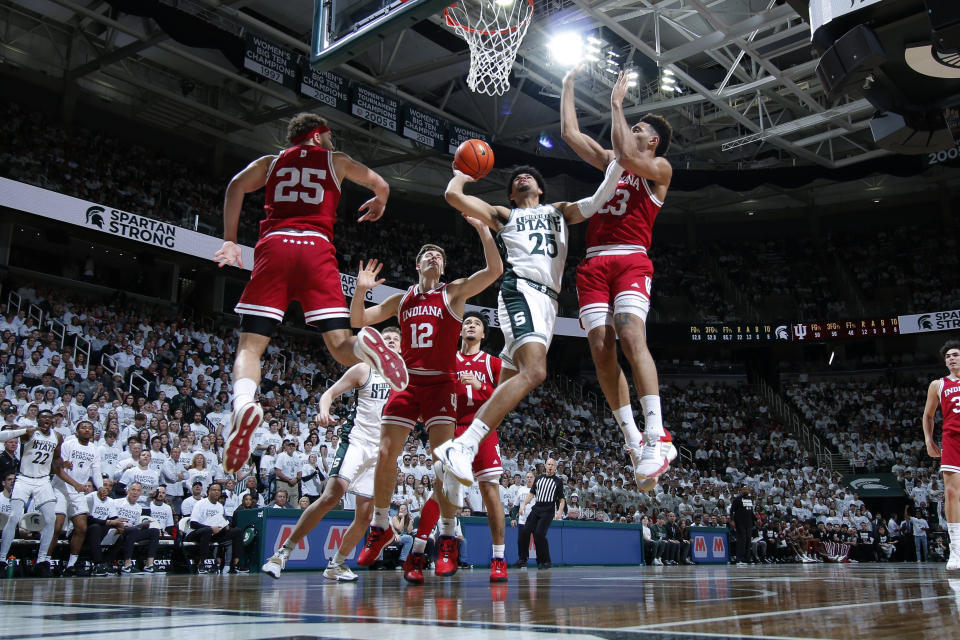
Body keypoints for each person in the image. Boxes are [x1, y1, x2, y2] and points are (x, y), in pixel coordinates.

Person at [213, 112, 408, 474]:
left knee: (251, 346)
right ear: (319, 136)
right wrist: (380, 200)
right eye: (330, 137)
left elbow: (235, 187)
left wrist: (229, 240)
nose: (334, 142)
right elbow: (381, 184)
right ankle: (367, 343)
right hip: (317, 248)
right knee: (340, 347)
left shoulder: (270, 163)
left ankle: (243, 405)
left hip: (275, 246)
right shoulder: (336, 161)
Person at [433, 151, 626, 489]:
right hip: (520, 289)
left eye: (528, 176)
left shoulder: (558, 211)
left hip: (547, 304)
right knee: (535, 372)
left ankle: (456, 457)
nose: (522, 178)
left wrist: (618, 166)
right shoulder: (504, 214)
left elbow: (596, 201)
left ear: (540, 188)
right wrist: (462, 173)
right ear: (511, 194)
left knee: (502, 389)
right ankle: (462, 446)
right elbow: (452, 196)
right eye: (515, 180)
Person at [351, 215, 503, 585]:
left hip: (440, 386)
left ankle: (447, 534)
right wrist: (361, 289)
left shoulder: (453, 292)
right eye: (427, 255)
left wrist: (483, 232)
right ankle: (381, 525)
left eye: (439, 255)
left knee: (443, 468)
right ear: (417, 265)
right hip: (406, 382)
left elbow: (494, 270)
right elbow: (358, 319)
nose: (434, 257)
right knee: (387, 453)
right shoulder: (400, 299)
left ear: (443, 267)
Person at [560, 66, 677, 489]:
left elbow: (627, 154)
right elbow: (572, 136)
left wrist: (616, 105)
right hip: (594, 261)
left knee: (631, 336)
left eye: (640, 127)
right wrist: (567, 84)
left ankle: (655, 434)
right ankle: (630, 435)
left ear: (652, 141)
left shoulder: (658, 167)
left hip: (630, 259)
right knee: (600, 348)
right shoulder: (613, 161)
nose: (633, 129)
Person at [262, 327, 400, 582]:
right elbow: (329, 393)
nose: (390, 342)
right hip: (357, 440)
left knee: (366, 514)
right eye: (386, 339)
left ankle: (336, 564)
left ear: (401, 349)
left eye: (395, 340)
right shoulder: (363, 369)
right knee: (332, 493)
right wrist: (323, 411)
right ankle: (282, 553)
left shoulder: (403, 380)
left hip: (382, 452)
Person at [453, 311, 508, 581]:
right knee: (447, 493)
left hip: (484, 429)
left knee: (490, 492)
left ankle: (498, 557)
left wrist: (481, 385)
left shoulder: (492, 363)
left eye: (476, 324)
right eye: (466, 323)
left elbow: (506, 399)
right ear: (460, 332)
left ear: (484, 334)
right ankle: (446, 547)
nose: (471, 326)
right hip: (454, 429)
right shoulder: (448, 361)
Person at [0, 410, 62, 576]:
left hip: (43, 480)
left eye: (49, 417)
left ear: (53, 421)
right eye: (43, 417)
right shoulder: (29, 433)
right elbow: (2, 437)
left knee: (51, 519)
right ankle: (1, 559)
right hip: (24, 478)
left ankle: (42, 561)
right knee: (14, 516)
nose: (46, 419)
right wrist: (23, 430)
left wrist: (63, 463)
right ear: (38, 420)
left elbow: (56, 459)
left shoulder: (57, 437)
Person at [923, 339, 960, 570]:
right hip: (952, 439)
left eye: (955, 354)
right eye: (948, 356)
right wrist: (929, 439)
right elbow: (928, 415)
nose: (951, 358)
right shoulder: (938, 385)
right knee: (950, 492)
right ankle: (956, 550)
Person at [51, 420, 103, 576]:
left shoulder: (94, 449)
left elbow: (96, 472)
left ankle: (71, 564)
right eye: (83, 427)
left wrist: (100, 487)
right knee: (57, 526)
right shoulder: (68, 444)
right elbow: (59, 468)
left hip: (78, 490)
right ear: (77, 431)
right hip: (61, 488)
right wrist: (74, 483)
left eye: (90, 428)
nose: (87, 430)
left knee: (82, 528)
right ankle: (45, 560)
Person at [185, 482, 247, 573]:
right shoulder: (201, 503)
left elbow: (220, 521)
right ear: (209, 491)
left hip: (214, 534)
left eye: (218, 490)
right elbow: (193, 524)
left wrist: (225, 527)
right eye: (214, 490)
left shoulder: (220, 506)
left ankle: (235, 564)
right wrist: (211, 528)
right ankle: (201, 564)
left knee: (237, 531)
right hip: (196, 533)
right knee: (207, 530)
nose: (216, 492)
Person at [518, 458, 565, 569]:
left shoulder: (558, 481)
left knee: (539, 534)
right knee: (525, 531)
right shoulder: (538, 478)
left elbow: (562, 499)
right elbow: (531, 494)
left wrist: (560, 511)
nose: (550, 466)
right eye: (548, 464)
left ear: (555, 467)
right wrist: (523, 504)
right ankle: (523, 559)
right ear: (545, 465)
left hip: (548, 510)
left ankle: (545, 561)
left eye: (552, 465)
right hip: (537, 507)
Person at [109, 482, 160, 574]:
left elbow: (136, 524)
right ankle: (127, 565)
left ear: (140, 493)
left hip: (131, 531)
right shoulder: (116, 502)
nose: (135, 492)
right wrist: (121, 523)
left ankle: (149, 565)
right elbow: (111, 518)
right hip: (118, 529)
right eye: (133, 490)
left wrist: (142, 526)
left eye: (138, 490)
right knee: (132, 530)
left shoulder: (138, 507)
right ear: (127, 491)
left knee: (155, 531)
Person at [510, 470, 535, 567]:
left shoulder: (538, 490)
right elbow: (516, 506)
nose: (529, 479)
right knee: (521, 541)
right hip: (522, 520)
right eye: (527, 477)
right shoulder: (520, 490)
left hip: (534, 520)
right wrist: (513, 518)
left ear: (534, 479)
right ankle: (522, 560)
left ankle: (542, 560)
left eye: (531, 477)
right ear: (525, 479)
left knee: (538, 540)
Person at [731, 485, 756, 567]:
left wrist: (756, 520)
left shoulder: (750, 499)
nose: (745, 490)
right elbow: (732, 510)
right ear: (741, 490)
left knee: (748, 541)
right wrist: (732, 520)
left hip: (748, 523)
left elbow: (751, 512)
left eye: (746, 489)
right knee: (741, 541)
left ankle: (747, 558)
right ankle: (739, 559)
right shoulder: (738, 499)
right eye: (744, 489)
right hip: (740, 523)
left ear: (749, 490)